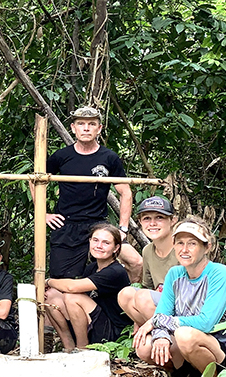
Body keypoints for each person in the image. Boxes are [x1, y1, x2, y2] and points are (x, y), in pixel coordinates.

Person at [31, 106, 142, 282]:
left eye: (92, 124)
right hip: (67, 225)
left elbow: (125, 193)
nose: (86, 128)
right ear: (73, 128)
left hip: (98, 224)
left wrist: (122, 228)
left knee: (136, 262)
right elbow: (34, 180)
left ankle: (124, 304)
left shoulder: (109, 157)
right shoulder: (61, 156)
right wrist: (43, 214)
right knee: (60, 281)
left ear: (99, 129)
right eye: (81, 124)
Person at [133, 217, 226, 374]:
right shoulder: (174, 274)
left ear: (207, 247)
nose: (184, 249)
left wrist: (159, 321)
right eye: (180, 243)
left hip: (225, 350)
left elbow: (206, 323)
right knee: (144, 347)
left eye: (192, 243)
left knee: (184, 335)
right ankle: (180, 376)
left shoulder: (219, 273)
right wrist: (161, 335)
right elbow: (162, 313)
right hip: (189, 343)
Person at [45, 223, 132, 351]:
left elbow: (72, 288)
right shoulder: (92, 268)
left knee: (72, 297)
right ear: (90, 241)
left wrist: (47, 281)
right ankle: (68, 347)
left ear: (116, 248)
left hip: (113, 331)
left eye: (106, 243)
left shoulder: (115, 271)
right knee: (50, 295)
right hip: (94, 324)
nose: (99, 246)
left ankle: (82, 349)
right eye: (95, 240)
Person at [118, 196, 178, 329]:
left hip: (184, 307)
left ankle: (166, 334)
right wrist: (137, 320)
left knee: (143, 297)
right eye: (146, 218)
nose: (152, 224)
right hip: (160, 305)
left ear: (173, 220)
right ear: (139, 222)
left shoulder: (182, 249)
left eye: (159, 218)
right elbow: (147, 287)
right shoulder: (147, 251)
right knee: (126, 294)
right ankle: (154, 333)